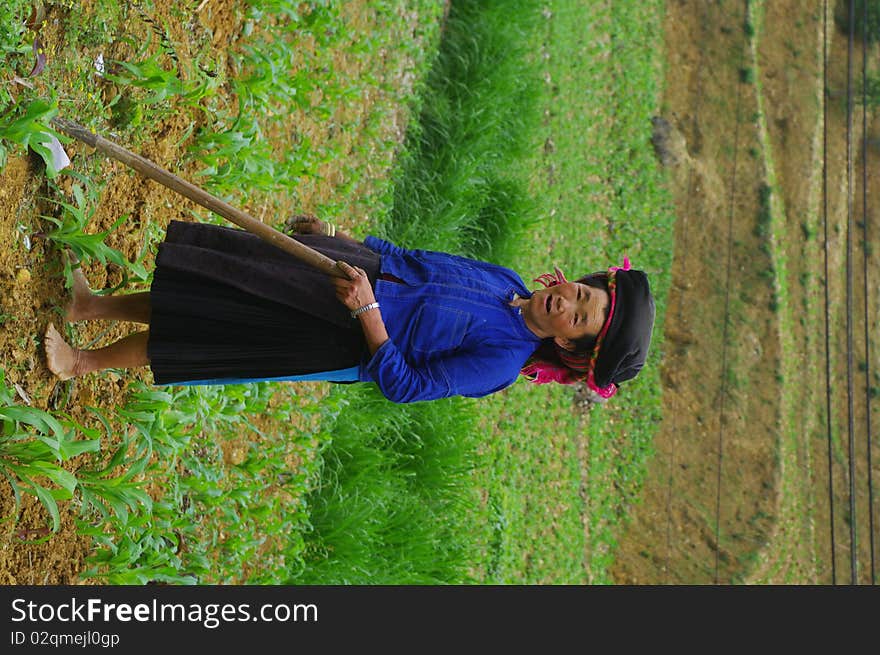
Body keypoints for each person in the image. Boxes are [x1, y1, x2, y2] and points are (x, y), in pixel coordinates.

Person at [44, 216, 655, 403]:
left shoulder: (499, 363)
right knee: (206, 291)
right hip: (344, 273)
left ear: (571, 347)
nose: (568, 301)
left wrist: (367, 313)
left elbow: (408, 386)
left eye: (579, 318)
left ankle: (84, 364)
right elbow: (417, 257)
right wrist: (346, 241)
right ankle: (91, 305)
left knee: (205, 330)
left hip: (335, 335)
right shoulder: (507, 281)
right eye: (582, 293)